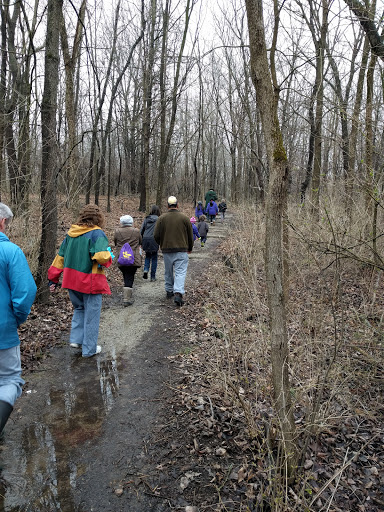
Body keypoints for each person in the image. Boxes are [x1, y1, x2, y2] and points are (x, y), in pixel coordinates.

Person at [48, 204, 112, 357]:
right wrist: (109, 256)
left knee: (79, 308)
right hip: (90, 281)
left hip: (71, 281)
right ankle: (89, 349)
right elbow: (102, 257)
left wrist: (53, 279)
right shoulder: (97, 234)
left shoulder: (71, 234)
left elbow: (59, 258)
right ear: (99, 218)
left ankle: (76, 340)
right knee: (92, 314)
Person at [0, 203, 37, 435]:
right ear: (2, 222)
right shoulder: (11, 252)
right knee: (9, 380)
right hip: (3, 330)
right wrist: (17, 319)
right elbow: (24, 293)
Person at [154, 196, 193, 306]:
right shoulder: (185, 218)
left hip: (166, 250)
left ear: (167, 206)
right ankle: (178, 293)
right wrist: (190, 247)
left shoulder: (161, 218)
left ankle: (169, 290)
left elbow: (156, 235)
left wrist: (161, 244)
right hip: (182, 250)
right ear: (177, 205)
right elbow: (190, 235)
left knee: (168, 271)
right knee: (180, 272)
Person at [114, 215, 142, 305]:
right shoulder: (136, 231)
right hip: (133, 258)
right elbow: (140, 241)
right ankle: (127, 298)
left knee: (126, 275)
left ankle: (127, 294)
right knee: (130, 276)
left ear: (121, 222)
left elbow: (115, 242)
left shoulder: (117, 231)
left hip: (121, 257)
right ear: (131, 222)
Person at [140, 205, 160, 282]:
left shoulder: (146, 219)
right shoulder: (159, 219)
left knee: (147, 256)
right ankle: (153, 276)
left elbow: (141, 230)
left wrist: (140, 240)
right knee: (154, 257)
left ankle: (145, 269)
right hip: (154, 239)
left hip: (145, 239)